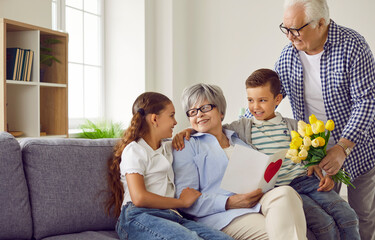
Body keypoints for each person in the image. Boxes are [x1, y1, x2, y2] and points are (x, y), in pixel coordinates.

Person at [266, 0, 375, 239]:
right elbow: (267, 97)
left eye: (296, 29)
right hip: (315, 153)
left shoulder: (352, 46)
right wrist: (219, 128)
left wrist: (342, 148)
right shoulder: (288, 56)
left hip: (359, 146)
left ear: (321, 23)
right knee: (326, 215)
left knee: (362, 214)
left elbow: (367, 101)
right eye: (285, 29)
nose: (290, 37)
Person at [228, 69, 359, 239]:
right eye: (250, 100)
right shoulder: (241, 127)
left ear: (277, 99)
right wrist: (187, 132)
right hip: (283, 190)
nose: (255, 106)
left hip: (307, 181)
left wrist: (324, 173)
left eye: (262, 100)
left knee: (348, 216)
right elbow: (214, 129)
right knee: (324, 223)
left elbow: (311, 158)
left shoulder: (294, 125)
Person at [173, 83, 307, 240]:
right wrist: (228, 202)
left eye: (205, 108)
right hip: (224, 215)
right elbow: (185, 199)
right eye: (192, 111)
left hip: (258, 200)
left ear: (221, 112)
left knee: (286, 193)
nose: (199, 115)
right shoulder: (186, 146)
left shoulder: (238, 138)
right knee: (275, 234)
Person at [105, 92, 233, 240]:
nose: (175, 122)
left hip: (171, 216)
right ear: (154, 119)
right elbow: (139, 198)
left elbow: (191, 135)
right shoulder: (135, 150)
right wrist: (181, 202)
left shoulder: (168, 147)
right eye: (171, 115)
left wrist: (189, 130)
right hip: (139, 215)